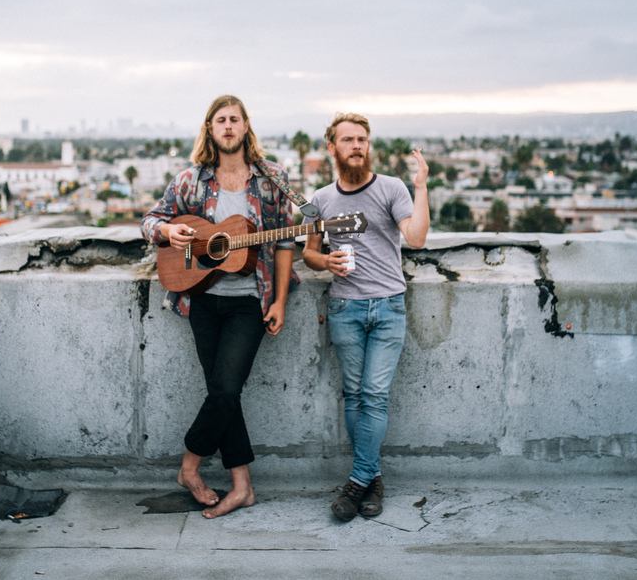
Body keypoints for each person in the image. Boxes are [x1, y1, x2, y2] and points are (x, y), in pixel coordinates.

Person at [140, 95, 295, 519]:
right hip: (202, 299)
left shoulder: (272, 180)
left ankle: (189, 466)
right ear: (210, 129)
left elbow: (285, 243)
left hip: (250, 300)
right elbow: (149, 221)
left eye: (234, 119)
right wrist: (169, 232)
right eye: (220, 120)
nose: (228, 126)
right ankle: (243, 486)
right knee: (224, 394)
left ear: (246, 126)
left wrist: (280, 301)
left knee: (225, 389)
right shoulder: (190, 181)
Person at [302, 112, 428, 521]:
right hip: (345, 307)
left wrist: (421, 186)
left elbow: (416, 238)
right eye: (348, 139)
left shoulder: (391, 188)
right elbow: (309, 253)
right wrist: (326, 261)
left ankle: (356, 481)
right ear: (332, 147)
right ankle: (373, 482)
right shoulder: (321, 199)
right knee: (354, 395)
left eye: (362, 139)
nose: (356, 146)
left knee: (374, 394)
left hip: (388, 306)